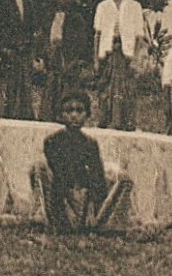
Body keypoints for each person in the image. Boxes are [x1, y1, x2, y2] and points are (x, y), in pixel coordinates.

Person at [30, 90, 132, 234]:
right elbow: (59, 179)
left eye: (79, 111)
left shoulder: (90, 144)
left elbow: (98, 181)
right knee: (38, 167)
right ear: (61, 115)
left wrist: (90, 205)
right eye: (69, 110)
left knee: (119, 176)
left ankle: (106, 224)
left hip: (85, 203)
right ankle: (44, 220)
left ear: (87, 115)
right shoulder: (53, 141)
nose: (74, 115)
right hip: (61, 202)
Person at [93, 0, 147, 131]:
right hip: (108, 51)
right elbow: (98, 34)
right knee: (106, 86)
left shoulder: (135, 6)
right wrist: (96, 59)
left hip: (126, 53)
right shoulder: (103, 6)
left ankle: (125, 121)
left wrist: (136, 58)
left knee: (126, 88)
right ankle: (105, 119)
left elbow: (139, 36)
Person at [39, 0, 94, 122]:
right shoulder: (49, 17)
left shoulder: (77, 19)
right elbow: (44, 37)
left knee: (67, 91)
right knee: (51, 89)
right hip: (53, 58)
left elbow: (81, 43)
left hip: (69, 62)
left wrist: (73, 60)